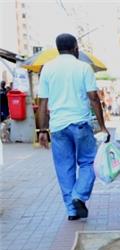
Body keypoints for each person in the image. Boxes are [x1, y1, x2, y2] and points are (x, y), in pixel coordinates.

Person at [37, 33, 109, 221]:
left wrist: (42, 130)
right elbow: (94, 98)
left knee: (64, 167)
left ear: (58, 48)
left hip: (58, 126)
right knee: (88, 161)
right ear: (76, 48)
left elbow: (43, 102)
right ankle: (79, 195)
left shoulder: (47, 69)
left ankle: (71, 210)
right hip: (80, 123)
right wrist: (102, 126)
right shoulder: (84, 67)